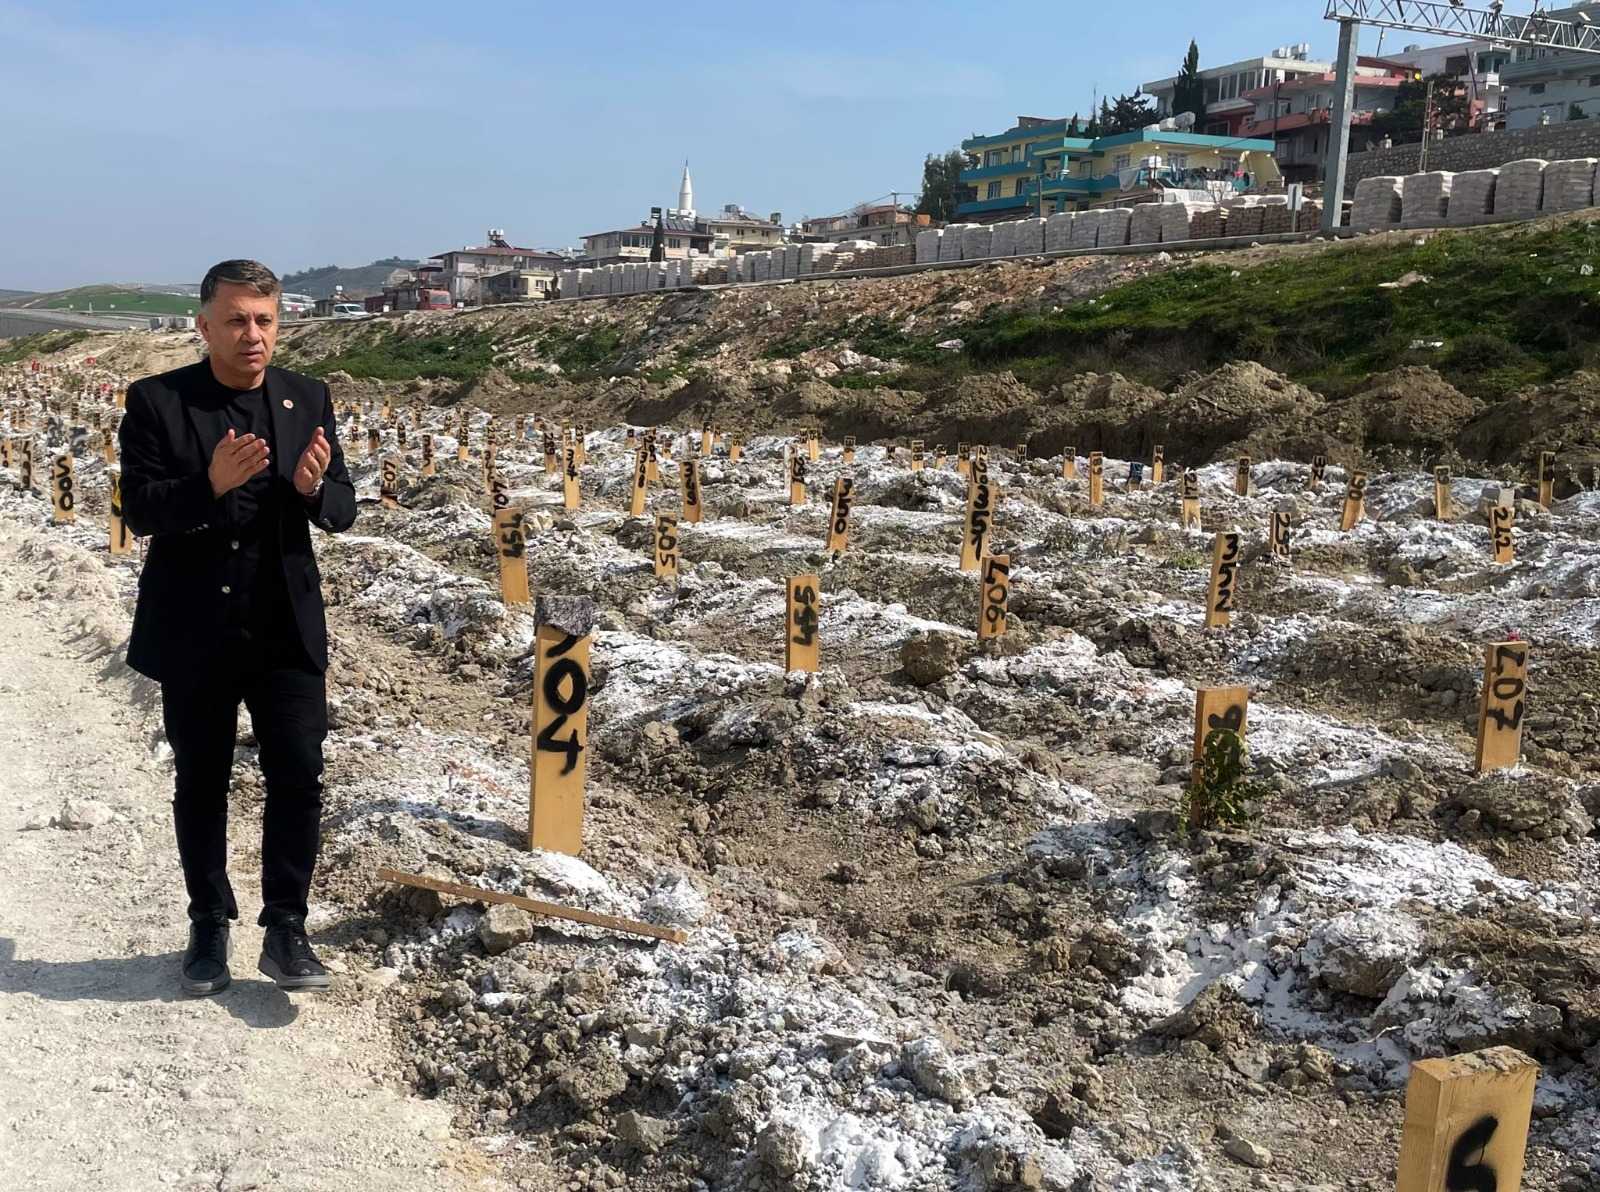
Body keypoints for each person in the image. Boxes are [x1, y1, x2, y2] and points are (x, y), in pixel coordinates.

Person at [119, 259, 356, 996]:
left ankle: (286, 927)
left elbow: (344, 506)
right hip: (197, 626)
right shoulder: (158, 401)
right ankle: (208, 924)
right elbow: (140, 510)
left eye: (265, 320)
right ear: (204, 325)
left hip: (285, 626)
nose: (253, 335)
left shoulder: (307, 397)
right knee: (202, 780)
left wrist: (315, 492)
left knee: (299, 773)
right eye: (236, 320)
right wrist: (209, 485)